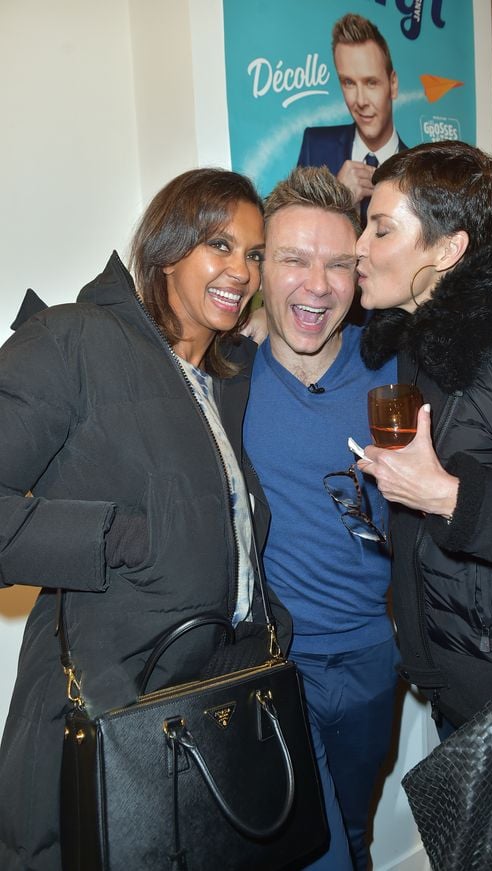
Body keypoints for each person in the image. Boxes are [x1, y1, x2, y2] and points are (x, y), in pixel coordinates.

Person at [0, 168, 292, 871]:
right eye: (219, 244)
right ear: (166, 249)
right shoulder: (72, 340)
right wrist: (116, 534)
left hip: (206, 708)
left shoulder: (224, 378)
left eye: (253, 254)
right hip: (105, 708)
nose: (241, 270)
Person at [354, 139, 492, 733]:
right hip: (456, 683)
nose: (359, 249)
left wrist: (450, 499)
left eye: (380, 230)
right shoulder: (420, 340)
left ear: (448, 250)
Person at [243, 166, 399, 871]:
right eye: (294, 259)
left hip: (375, 657)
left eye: (338, 263)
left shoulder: (393, 373)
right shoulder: (227, 384)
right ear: (261, 268)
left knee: (356, 829)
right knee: (318, 851)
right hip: (278, 665)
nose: (317, 284)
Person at [297, 13, 408, 226]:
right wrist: (337, 199)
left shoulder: (416, 171)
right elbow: (291, 237)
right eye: (349, 82)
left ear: (393, 84)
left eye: (371, 83)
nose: (360, 101)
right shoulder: (315, 145)